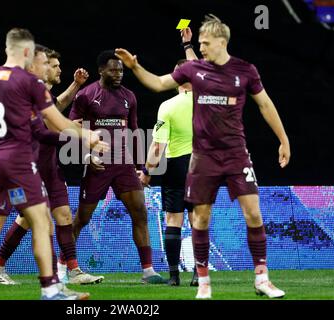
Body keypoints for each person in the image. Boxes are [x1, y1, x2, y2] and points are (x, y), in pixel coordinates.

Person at [115, 14, 290, 299]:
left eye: (205, 43)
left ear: (221, 42)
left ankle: (262, 279)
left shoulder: (245, 70)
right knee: (201, 218)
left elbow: (266, 104)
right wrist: (135, 67)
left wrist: (283, 140)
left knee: (254, 213)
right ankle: (204, 283)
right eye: (199, 43)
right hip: (203, 157)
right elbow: (159, 83)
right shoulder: (195, 70)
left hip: (236, 153)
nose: (202, 47)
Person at [0, 28, 107, 300]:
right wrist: (87, 136)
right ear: (27, 52)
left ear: (8, 49)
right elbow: (57, 120)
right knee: (41, 223)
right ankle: (50, 289)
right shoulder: (30, 83)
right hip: (18, 161)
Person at [0, 46, 104, 286]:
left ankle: (73, 270)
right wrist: (77, 134)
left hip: (50, 166)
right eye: (54, 65)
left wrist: (75, 87)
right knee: (27, 220)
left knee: (61, 214)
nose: (58, 68)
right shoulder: (29, 92)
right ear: (41, 66)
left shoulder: (44, 93)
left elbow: (56, 110)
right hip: (30, 167)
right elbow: (45, 129)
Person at [68, 50, 165, 284]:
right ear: (101, 70)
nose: (118, 74)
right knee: (81, 219)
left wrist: (140, 166)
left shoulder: (129, 96)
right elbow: (70, 127)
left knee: (140, 213)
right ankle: (65, 266)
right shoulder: (86, 95)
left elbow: (134, 131)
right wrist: (85, 156)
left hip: (124, 165)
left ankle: (148, 270)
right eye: (113, 69)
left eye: (121, 70)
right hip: (97, 166)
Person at [139, 59, 198, 287]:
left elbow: (157, 147)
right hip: (202, 167)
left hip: (177, 166)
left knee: (173, 220)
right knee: (197, 221)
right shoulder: (208, 103)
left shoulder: (168, 106)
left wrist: (146, 172)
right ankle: (199, 274)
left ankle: (174, 277)